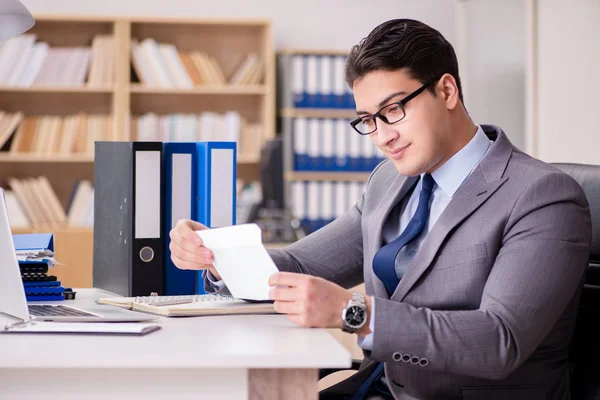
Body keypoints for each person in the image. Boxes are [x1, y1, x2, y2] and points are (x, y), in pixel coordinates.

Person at [169, 18, 592, 400]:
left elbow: (499, 341)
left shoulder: (542, 196)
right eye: (367, 119)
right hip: (379, 388)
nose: (382, 136)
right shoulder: (389, 181)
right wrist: (218, 257)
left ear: (447, 90)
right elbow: (300, 262)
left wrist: (354, 313)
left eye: (393, 110)